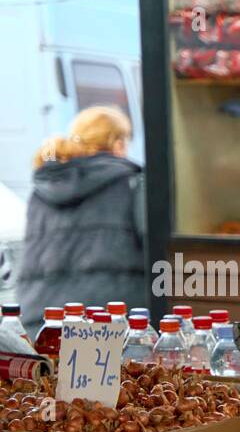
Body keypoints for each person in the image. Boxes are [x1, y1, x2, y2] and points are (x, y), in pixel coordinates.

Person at [16, 106, 146, 337]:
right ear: (118, 143)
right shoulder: (131, 184)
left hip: (41, 323)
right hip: (108, 325)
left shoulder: (42, 191)